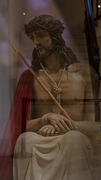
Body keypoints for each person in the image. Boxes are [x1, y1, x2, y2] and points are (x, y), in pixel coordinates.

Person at [0, 15, 96, 180]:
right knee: (26, 140)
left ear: (56, 37)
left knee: (74, 139)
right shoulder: (29, 77)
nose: (36, 42)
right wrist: (45, 119)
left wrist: (66, 125)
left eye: (41, 35)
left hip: (73, 134)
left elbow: (94, 126)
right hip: (40, 135)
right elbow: (21, 125)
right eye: (33, 37)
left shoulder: (82, 75)